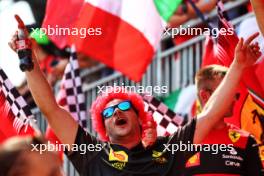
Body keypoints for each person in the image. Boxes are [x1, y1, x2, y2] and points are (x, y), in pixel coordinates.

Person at [8, 15, 262, 176]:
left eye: (123, 106)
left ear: (140, 117)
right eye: (108, 112)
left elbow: (210, 113)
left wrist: (238, 67)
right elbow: (51, 109)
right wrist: (29, 63)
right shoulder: (93, 156)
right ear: (103, 129)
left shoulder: (169, 150)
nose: (116, 111)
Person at [184, 65, 262, 175]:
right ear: (205, 96)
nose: (235, 99)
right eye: (226, 93)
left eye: (235, 94)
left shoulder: (246, 140)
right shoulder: (180, 141)